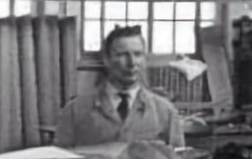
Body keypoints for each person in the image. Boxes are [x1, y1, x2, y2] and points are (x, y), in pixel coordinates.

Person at [55, 24, 185, 151]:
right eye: (122, 55)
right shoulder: (75, 111)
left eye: (138, 54)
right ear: (106, 59)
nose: (132, 63)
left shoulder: (165, 112)